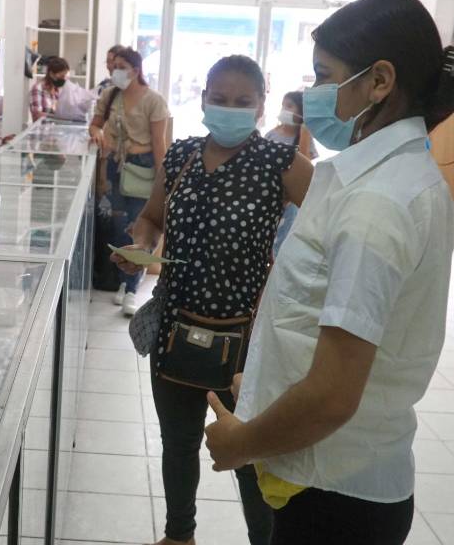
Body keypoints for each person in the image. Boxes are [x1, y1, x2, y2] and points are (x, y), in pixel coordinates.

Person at [204, 0, 454, 545]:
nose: (313, 93)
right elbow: (327, 320)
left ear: (379, 82)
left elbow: (333, 394)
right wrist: (267, 380)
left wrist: (242, 441)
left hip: (334, 498)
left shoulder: (378, 203)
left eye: (325, 75)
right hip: (333, 480)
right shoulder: (380, 178)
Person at [111, 54, 313, 545]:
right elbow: (152, 218)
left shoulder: (281, 163)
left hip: (244, 342)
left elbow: (337, 230)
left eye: (243, 102)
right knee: (177, 445)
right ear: (202, 99)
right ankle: (179, 536)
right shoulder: (179, 156)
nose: (229, 109)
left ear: (262, 107)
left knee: (248, 454)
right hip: (174, 331)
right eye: (219, 99)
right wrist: (141, 245)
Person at [90, 47, 169, 316]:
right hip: (113, 168)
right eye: (113, 65)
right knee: (115, 225)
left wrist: (163, 182)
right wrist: (97, 134)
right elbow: (95, 124)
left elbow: (159, 144)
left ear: (136, 71)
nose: (115, 70)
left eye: (121, 65)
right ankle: (123, 282)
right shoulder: (110, 95)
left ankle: (133, 289)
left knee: (138, 228)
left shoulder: (153, 101)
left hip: (143, 169)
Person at [264, 91, 317, 256]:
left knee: (282, 241)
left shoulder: (304, 137)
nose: (284, 110)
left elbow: (305, 163)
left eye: (289, 106)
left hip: (290, 203)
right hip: (269, 194)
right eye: (283, 105)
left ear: (300, 112)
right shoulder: (272, 135)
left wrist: (305, 132)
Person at [30, 56, 69, 121]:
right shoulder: (38, 88)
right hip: (43, 129)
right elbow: (36, 115)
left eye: (65, 76)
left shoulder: (58, 90)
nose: (63, 79)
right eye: (61, 76)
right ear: (51, 74)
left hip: (56, 128)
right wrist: (57, 117)